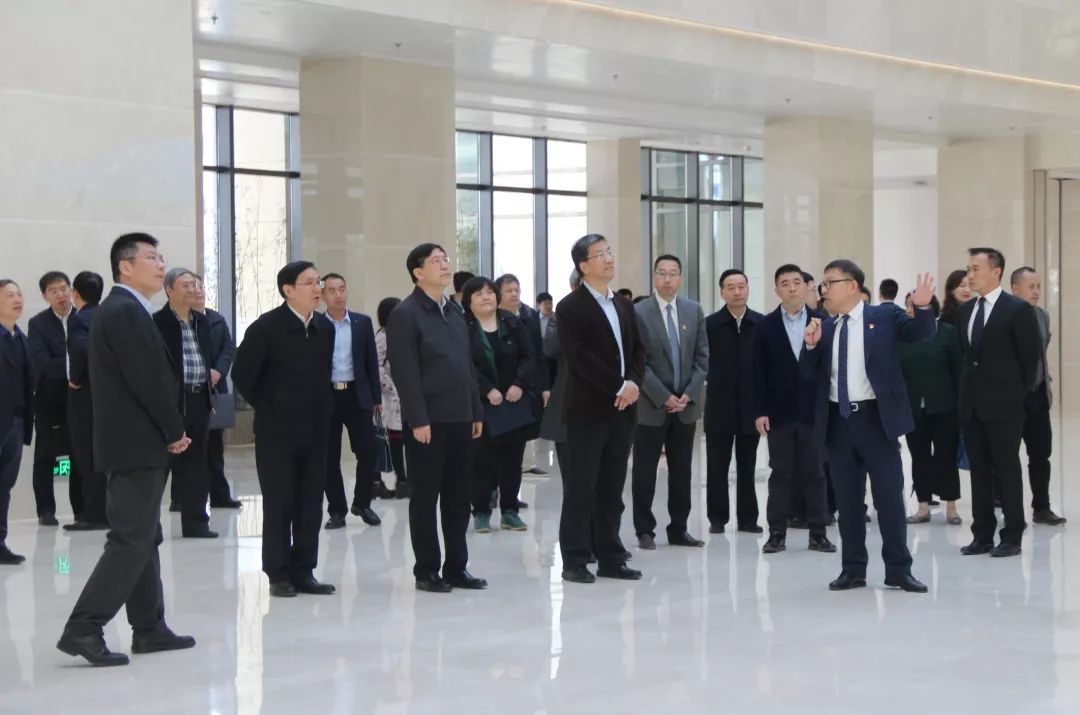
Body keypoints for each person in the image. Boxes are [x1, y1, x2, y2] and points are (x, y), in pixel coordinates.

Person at [57, 232, 195, 666]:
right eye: (151, 258)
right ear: (125, 267)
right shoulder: (124, 311)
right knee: (130, 540)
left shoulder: (127, 309)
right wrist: (174, 429)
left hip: (134, 444)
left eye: (161, 257)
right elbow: (147, 380)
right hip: (136, 444)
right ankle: (84, 627)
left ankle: (149, 627)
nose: (161, 264)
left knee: (144, 536)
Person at [801, 260, 935, 593]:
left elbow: (920, 334)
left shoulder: (884, 317)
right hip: (839, 422)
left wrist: (922, 308)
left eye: (829, 283)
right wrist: (811, 346)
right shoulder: (824, 326)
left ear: (852, 286)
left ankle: (899, 570)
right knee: (848, 503)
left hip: (876, 421)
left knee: (889, 499)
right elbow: (808, 374)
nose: (823, 290)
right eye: (822, 284)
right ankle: (853, 569)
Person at [232, 261, 336, 597]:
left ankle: (304, 570)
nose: (317, 288)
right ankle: (277, 573)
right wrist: (271, 405)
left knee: (310, 502)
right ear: (288, 290)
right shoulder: (266, 328)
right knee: (280, 502)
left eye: (318, 282)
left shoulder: (324, 328)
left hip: (316, 429)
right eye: (309, 283)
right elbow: (243, 375)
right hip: (277, 432)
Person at [387, 243, 486, 593]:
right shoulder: (406, 314)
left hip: (461, 417)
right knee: (426, 497)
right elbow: (405, 372)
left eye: (446, 259)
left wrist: (475, 410)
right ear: (418, 272)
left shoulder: (455, 311)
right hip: (428, 421)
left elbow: (466, 366)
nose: (445, 265)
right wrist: (417, 419)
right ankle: (427, 570)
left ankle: (457, 567)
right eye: (436, 261)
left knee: (458, 497)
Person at [557, 234, 645, 584]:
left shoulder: (622, 303)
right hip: (587, 410)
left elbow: (638, 350)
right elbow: (580, 358)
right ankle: (575, 559)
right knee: (581, 488)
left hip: (623, 410)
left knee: (611, 487)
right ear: (583, 265)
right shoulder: (570, 307)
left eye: (609, 251)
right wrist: (618, 386)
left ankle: (611, 557)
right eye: (600, 254)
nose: (609, 258)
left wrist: (633, 383)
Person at [958, 248, 1043, 558]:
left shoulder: (1017, 309)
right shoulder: (966, 311)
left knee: (1007, 469)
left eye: (976, 268)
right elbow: (966, 358)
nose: (970, 275)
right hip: (972, 406)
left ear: (996, 272)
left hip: (1005, 405)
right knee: (979, 471)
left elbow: (1030, 359)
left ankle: (1012, 535)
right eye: (968, 269)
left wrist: (1014, 396)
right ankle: (981, 534)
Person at [753, 264, 834, 555]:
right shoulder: (765, 326)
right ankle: (776, 534)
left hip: (814, 412)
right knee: (781, 473)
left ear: (805, 287)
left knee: (816, 473)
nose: (792, 288)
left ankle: (818, 533)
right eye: (785, 283)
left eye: (797, 282)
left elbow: (829, 368)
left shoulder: (822, 322)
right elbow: (756, 372)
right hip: (780, 413)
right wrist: (760, 411)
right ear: (777, 290)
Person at [631, 255, 709, 549]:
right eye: (662, 273)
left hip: (685, 406)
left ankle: (679, 528)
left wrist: (689, 392)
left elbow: (702, 358)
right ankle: (644, 530)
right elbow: (638, 363)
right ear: (654, 277)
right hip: (651, 406)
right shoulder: (638, 312)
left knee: (682, 472)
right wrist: (664, 396)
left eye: (673, 273)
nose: (667, 278)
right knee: (644, 471)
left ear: (680, 278)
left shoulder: (693, 310)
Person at [463, 276, 537, 533]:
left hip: (513, 402)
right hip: (481, 405)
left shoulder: (511, 322)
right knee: (482, 461)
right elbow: (465, 365)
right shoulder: (463, 328)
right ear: (468, 301)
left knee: (512, 460)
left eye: (489, 292)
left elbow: (528, 356)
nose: (486, 297)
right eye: (479, 294)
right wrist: (487, 389)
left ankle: (510, 511)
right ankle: (481, 511)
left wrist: (519, 383)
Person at [153, 268, 217, 539]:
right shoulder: (157, 323)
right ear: (169, 290)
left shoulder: (202, 321)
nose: (193, 290)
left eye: (194, 285)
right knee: (161, 464)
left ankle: (196, 523)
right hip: (171, 401)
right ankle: (149, 526)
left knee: (197, 464)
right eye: (185, 286)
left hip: (199, 398)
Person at [319, 273, 383, 530]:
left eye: (342, 289)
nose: (338, 295)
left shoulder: (361, 323)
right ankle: (337, 510)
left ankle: (362, 503)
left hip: (357, 395)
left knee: (368, 449)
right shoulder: (315, 325)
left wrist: (377, 397)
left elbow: (371, 363)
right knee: (329, 456)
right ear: (323, 295)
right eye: (332, 290)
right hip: (327, 397)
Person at [704, 269, 764, 534]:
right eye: (731, 287)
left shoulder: (761, 323)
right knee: (717, 465)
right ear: (722, 293)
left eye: (741, 286)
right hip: (719, 406)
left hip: (751, 407)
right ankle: (717, 518)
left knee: (747, 465)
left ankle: (748, 518)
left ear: (748, 289)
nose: (737, 292)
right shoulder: (709, 325)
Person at [899, 293, 963, 525]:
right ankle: (923, 506)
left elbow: (959, 370)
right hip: (914, 408)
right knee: (919, 457)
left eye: (913, 306)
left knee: (946, 456)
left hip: (945, 407)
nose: (908, 310)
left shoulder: (947, 332)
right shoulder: (903, 335)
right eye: (907, 305)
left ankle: (951, 507)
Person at [1010, 267, 1065, 525]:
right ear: (1015, 289)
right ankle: (1007, 507)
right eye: (1031, 286)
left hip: (1038, 395)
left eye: (1038, 286)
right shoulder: (1006, 316)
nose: (1036, 292)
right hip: (1011, 398)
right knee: (1006, 457)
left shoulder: (1043, 316)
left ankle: (1041, 507)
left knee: (1041, 454)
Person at [27, 270, 77, 526]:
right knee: (47, 456)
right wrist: (74, 368)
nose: (60, 295)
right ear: (44, 296)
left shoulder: (84, 318)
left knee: (79, 455)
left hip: (80, 399)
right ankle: (46, 510)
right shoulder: (38, 324)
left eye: (63, 288)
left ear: (72, 290)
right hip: (50, 401)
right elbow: (42, 365)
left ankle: (82, 511)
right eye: (53, 291)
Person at [190, 275, 242, 509]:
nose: (198, 291)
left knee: (215, 448)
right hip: (190, 390)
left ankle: (220, 496)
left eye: (201, 286)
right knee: (189, 448)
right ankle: (182, 498)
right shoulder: (180, 321)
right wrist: (202, 372)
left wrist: (218, 372)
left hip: (215, 389)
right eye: (192, 287)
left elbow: (227, 349)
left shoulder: (217, 319)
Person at [64, 271, 108, 531]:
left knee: (85, 453)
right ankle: (107, 511)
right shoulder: (106, 315)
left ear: (75, 293)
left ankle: (93, 514)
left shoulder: (79, 319)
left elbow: (81, 351)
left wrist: (75, 379)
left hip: (85, 396)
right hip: (108, 395)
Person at [495, 273, 548, 484]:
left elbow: (537, 354)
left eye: (517, 290)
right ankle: (492, 490)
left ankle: (511, 495)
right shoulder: (491, 316)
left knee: (519, 443)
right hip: (497, 389)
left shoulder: (529, 315)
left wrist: (544, 386)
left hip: (525, 386)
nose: (514, 294)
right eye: (509, 290)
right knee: (496, 446)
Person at [0, 280, 33, 564]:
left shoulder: (21, 338)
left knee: (4, 485)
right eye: (10, 295)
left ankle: (0, 542)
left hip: (15, 422)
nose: (17, 299)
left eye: (19, 294)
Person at [538, 270, 581, 478]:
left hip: (605, 403)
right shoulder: (562, 314)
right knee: (572, 472)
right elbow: (550, 349)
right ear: (574, 287)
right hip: (568, 399)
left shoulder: (613, 312)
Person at [374, 297, 409, 499]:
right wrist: (391, 387)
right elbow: (376, 366)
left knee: (397, 440)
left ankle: (402, 481)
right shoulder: (382, 337)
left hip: (399, 396)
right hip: (387, 397)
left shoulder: (399, 334)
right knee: (385, 441)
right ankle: (381, 482)